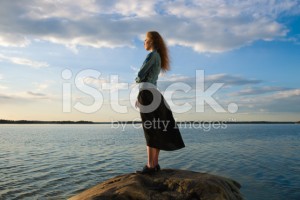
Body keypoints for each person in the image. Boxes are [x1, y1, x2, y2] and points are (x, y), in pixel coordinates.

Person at [135, 31, 185, 174]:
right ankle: (154, 164)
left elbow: (140, 75)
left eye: (145, 39)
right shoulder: (158, 57)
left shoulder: (151, 55)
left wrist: (139, 85)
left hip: (148, 94)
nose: (144, 42)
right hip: (154, 93)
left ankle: (151, 166)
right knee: (155, 128)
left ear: (151, 41)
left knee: (150, 129)